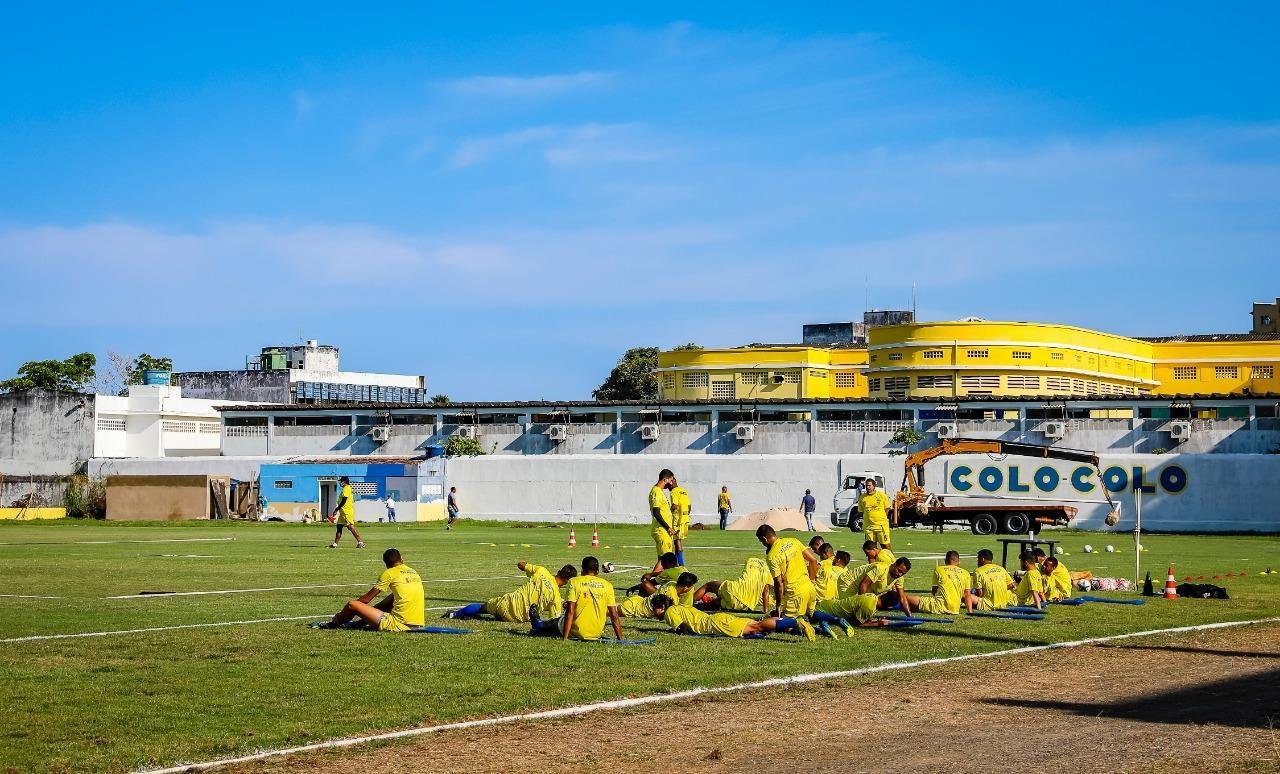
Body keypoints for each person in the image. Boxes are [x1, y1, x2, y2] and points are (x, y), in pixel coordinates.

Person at [314, 548, 423, 631]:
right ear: (402, 559)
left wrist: (345, 613)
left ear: (386, 564)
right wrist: (369, 613)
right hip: (417, 623)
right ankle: (362, 622)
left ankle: (333, 623)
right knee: (393, 597)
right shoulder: (413, 571)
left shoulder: (389, 573)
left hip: (398, 623)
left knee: (352, 604)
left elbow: (366, 599)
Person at [530, 556, 624, 641]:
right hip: (596, 633)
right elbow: (614, 615)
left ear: (582, 570)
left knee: (559, 621)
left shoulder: (574, 582)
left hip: (575, 632)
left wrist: (565, 637)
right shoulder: (608, 585)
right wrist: (620, 639)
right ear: (597, 572)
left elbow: (570, 611)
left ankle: (539, 624)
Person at [445, 561, 576, 622]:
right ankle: (497, 616)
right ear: (567, 582)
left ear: (559, 572)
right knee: (495, 614)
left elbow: (521, 565)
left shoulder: (542, 571)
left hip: (507, 604)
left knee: (481, 607)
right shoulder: (556, 599)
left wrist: (523, 564)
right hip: (518, 618)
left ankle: (454, 615)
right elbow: (554, 620)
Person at [650, 595, 815, 640]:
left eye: (654, 610)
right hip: (717, 619)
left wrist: (692, 636)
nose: (653, 613)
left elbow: (684, 630)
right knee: (757, 627)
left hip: (714, 625)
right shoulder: (680, 606)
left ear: (662, 607)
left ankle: (796, 622)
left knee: (757, 627)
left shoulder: (670, 613)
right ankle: (799, 627)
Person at [756, 525, 819, 619]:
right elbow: (813, 560)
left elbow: (779, 582)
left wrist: (778, 605)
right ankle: (834, 620)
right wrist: (812, 580)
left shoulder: (771, 556)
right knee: (812, 616)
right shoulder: (793, 540)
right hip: (810, 589)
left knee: (783, 623)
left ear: (764, 539)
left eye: (761, 541)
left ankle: (820, 629)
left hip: (796, 594)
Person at [693, 557, 773, 613]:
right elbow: (764, 589)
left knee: (709, 586)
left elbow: (763, 588)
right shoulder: (770, 572)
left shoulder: (751, 560)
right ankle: (703, 605)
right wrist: (765, 610)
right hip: (743, 604)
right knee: (719, 602)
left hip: (735, 590)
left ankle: (688, 602)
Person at [907, 551, 973, 615]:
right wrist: (970, 612)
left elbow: (934, 591)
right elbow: (967, 595)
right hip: (955, 609)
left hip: (938, 605)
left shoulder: (939, 569)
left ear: (945, 560)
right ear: (958, 561)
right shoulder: (966, 573)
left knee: (907, 598)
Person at [618, 573, 696, 618]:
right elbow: (660, 615)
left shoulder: (671, 583)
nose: (692, 588)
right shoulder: (672, 598)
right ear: (686, 586)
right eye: (692, 586)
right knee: (608, 611)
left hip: (636, 600)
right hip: (633, 609)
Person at [811, 591, 892, 635]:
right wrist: (878, 624)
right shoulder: (870, 607)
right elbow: (857, 624)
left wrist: (876, 621)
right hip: (822, 610)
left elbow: (865, 619)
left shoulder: (872, 596)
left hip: (827, 604)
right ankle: (829, 624)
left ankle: (823, 623)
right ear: (888, 607)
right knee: (805, 623)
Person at [328, 476, 365, 549]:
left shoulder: (346, 488)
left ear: (344, 481)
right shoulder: (345, 489)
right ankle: (335, 544)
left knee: (350, 526)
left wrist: (336, 509)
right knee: (339, 527)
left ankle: (360, 543)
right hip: (343, 512)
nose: (340, 483)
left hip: (347, 511)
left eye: (341, 481)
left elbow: (344, 500)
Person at [648, 469, 677, 560]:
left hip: (664, 531)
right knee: (666, 560)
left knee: (663, 560)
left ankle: (656, 574)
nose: (672, 483)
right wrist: (668, 527)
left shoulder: (660, 491)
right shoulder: (656, 491)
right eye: (671, 480)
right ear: (665, 479)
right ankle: (650, 575)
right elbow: (656, 513)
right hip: (662, 530)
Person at [858, 479, 893, 550]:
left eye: (869, 485)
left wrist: (881, 518)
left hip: (881, 526)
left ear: (874, 486)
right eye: (866, 485)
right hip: (869, 527)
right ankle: (874, 561)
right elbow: (861, 511)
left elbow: (887, 508)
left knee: (885, 546)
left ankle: (891, 560)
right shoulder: (862, 497)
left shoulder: (882, 496)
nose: (868, 487)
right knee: (870, 548)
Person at [670, 478, 691, 566]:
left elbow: (674, 505)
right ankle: (676, 564)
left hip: (677, 520)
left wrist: (667, 511)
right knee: (679, 541)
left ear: (671, 483)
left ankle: (681, 565)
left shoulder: (674, 491)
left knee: (677, 542)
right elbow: (689, 507)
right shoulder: (684, 491)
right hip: (685, 519)